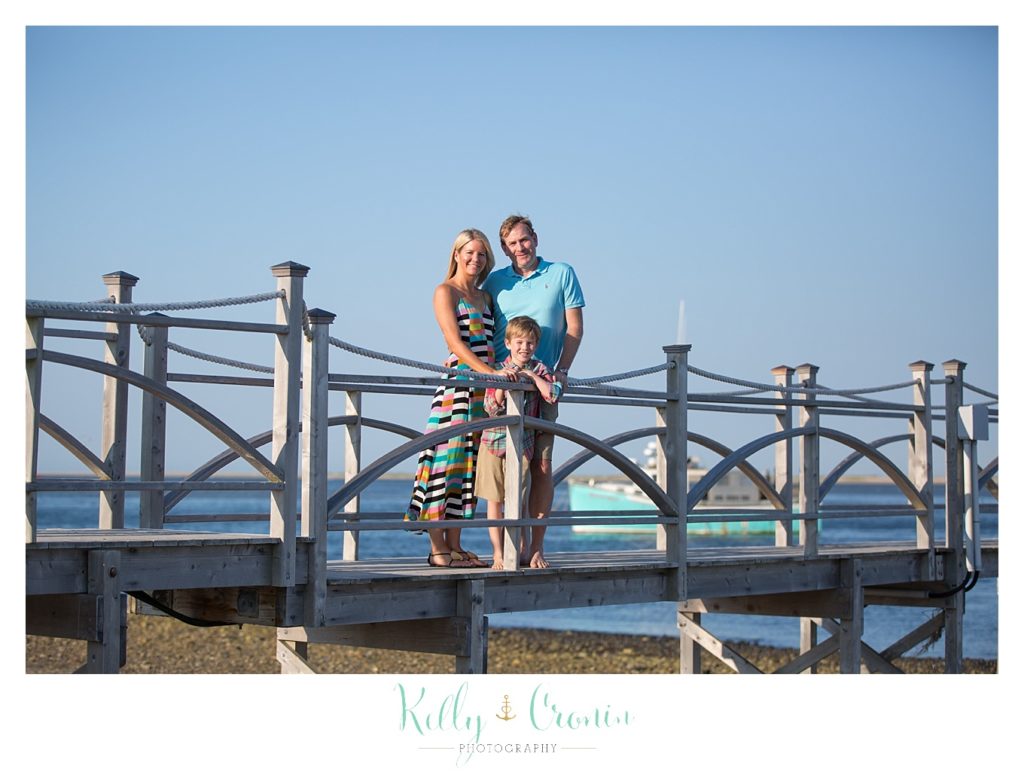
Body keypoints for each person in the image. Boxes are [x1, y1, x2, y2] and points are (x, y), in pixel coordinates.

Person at [405, 228, 517, 568]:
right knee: (447, 460)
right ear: (456, 254)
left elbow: (493, 338)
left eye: (481, 254)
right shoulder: (446, 291)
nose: (475, 259)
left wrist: (500, 372)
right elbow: (454, 343)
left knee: (470, 465)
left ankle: (455, 544)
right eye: (469, 252)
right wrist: (489, 372)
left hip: (483, 387)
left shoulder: (484, 297)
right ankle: (437, 547)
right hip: (459, 386)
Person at [482, 215, 585, 568]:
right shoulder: (495, 282)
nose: (520, 248)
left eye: (524, 240)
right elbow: (479, 325)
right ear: (504, 248)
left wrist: (563, 370)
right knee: (498, 468)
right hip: (503, 387)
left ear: (535, 239)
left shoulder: (561, 273)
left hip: (543, 385)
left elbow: (574, 328)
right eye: (512, 244)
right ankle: (502, 550)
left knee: (541, 467)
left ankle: (535, 548)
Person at [476, 316, 558, 569]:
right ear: (508, 343)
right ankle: (499, 553)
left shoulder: (541, 369)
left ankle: (523, 550)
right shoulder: (499, 369)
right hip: (493, 441)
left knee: (520, 499)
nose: (525, 347)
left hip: (523, 443)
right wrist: (503, 382)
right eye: (520, 342)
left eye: (530, 343)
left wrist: (530, 376)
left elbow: (552, 394)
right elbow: (490, 407)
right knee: (495, 501)